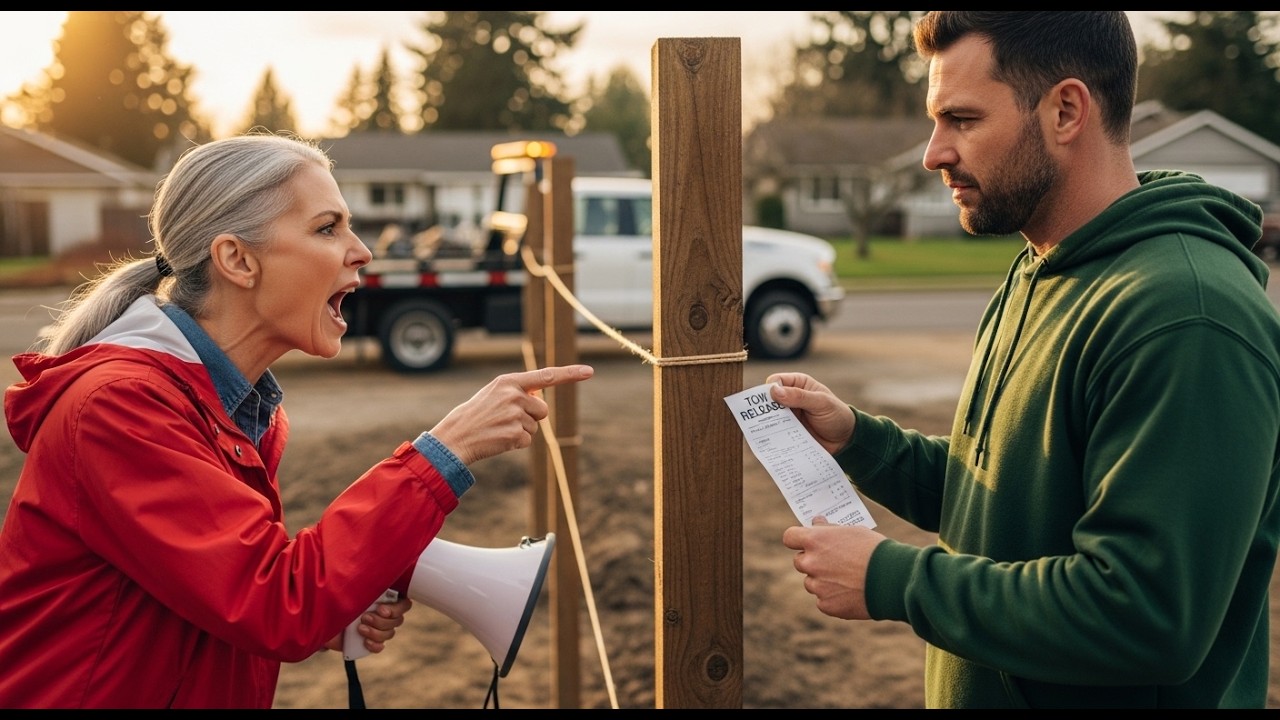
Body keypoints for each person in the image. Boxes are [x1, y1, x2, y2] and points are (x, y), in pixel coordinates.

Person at [770, 11, 1280, 709]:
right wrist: (861, 441)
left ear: (1066, 109)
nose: (933, 153)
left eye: (962, 120)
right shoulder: (1042, 269)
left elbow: (1146, 616)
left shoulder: (1186, 315)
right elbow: (1009, 501)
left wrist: (895, 580)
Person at [0, 133, 594, 709]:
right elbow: (274, 603)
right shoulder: (118, 408)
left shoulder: (229, 409)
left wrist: (331, 609)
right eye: (327, 228)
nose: (361, 250)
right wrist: (445, 450)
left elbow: (211, 595)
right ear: (237, 259)